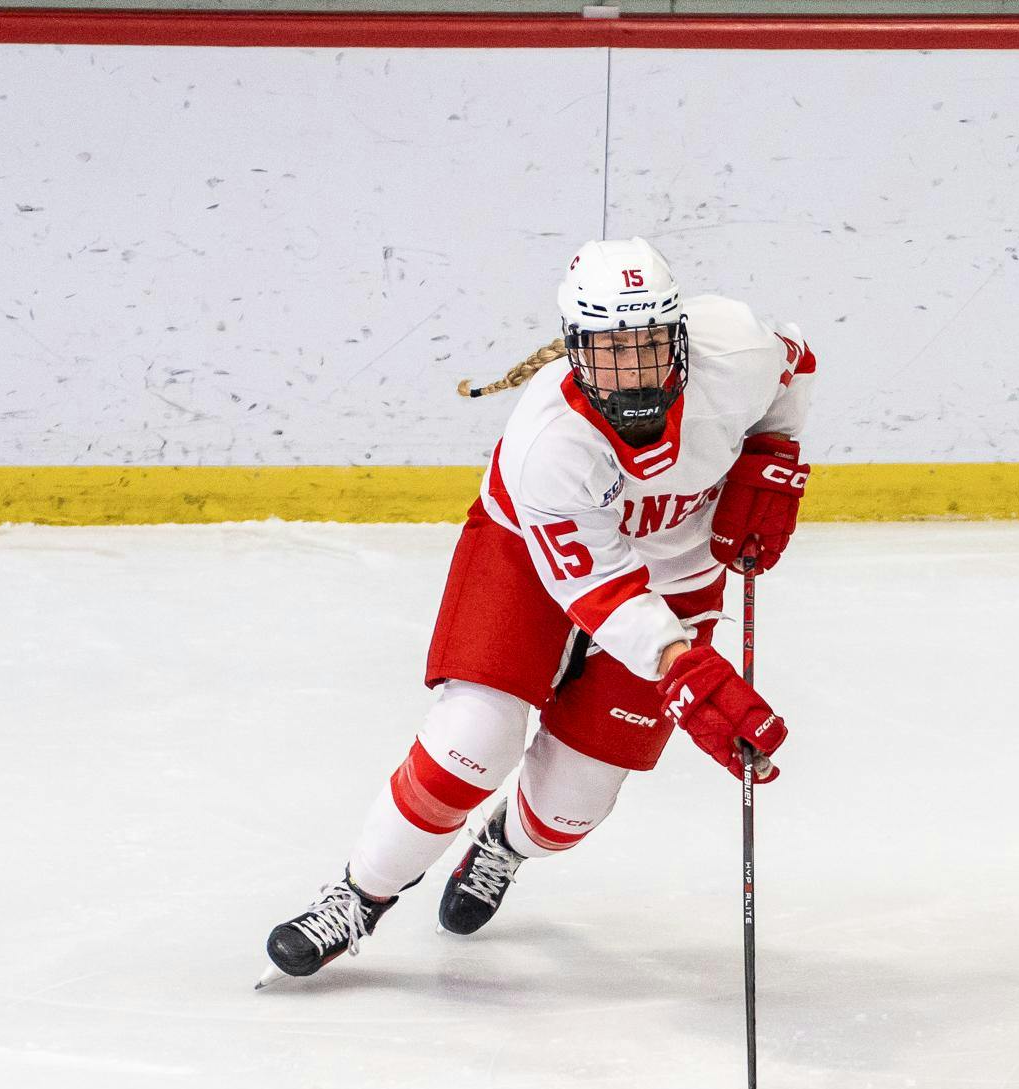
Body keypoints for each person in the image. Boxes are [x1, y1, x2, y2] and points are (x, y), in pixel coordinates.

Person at [261, 237, 814, 980]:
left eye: (651, 344)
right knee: (473, 740)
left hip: (676, 573)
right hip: (527, 555)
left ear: (681, 335)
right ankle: (360, 894)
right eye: (613, 351)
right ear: (575, 350)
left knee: (570, 808)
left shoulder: (735, 351)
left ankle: (503, 847)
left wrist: (769, 455)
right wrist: (683, 667)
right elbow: (600, 591)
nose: (636, 370)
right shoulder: (547, 441)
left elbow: (794, 368)